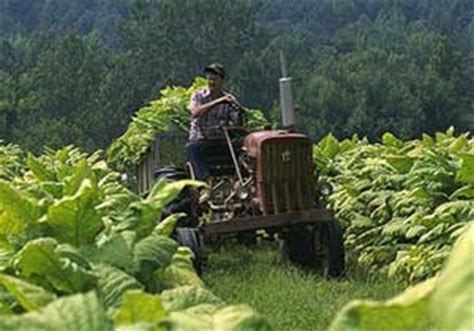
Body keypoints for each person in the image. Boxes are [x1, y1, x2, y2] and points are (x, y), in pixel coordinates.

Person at [186, 63, 244, 180]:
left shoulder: (229, 99)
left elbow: (238, 123)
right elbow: (195, 113)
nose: (211, 82)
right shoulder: (198, 96)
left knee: (244, 148)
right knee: (192, 148)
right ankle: (204, 182)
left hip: (221, 140)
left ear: (222, 81)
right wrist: (217, 102)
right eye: (209, 79)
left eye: (215, 79)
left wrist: (238, 111)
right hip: (201, 140)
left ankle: (242, 181)